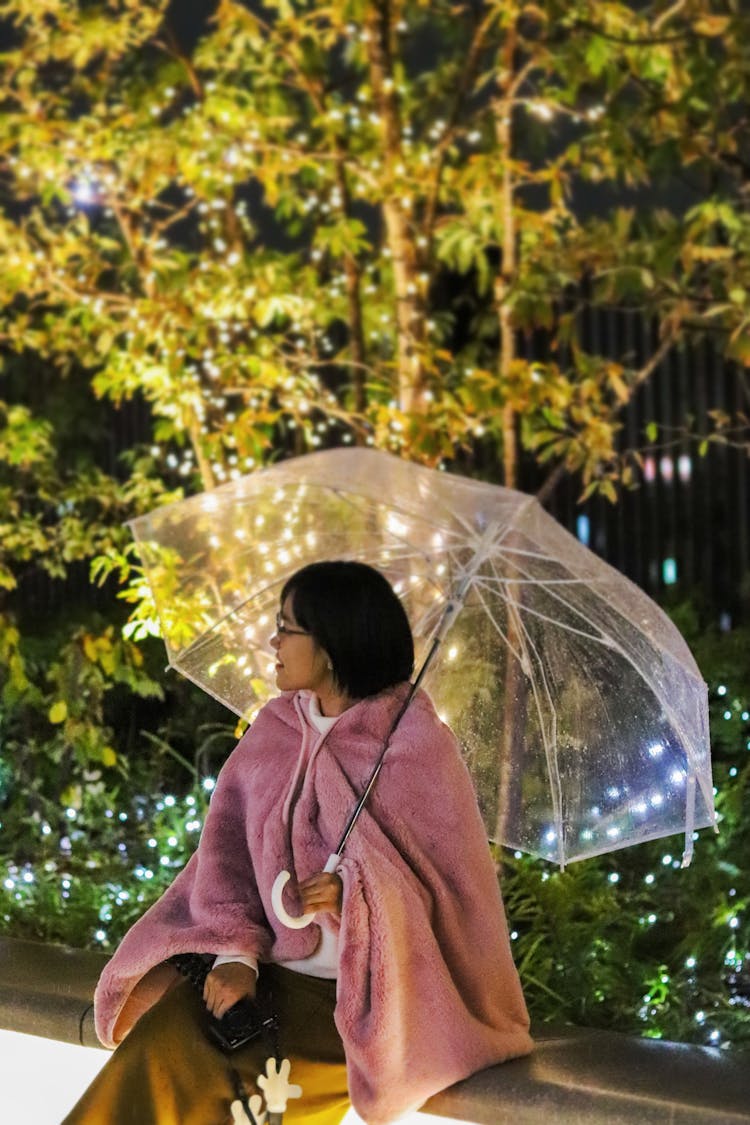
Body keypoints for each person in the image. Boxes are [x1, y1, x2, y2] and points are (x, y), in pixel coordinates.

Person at [62, 561, 532, 1125]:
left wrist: (356, 895)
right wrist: (236, 957)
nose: (273, 641)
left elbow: (455, 900)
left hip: (360, 1012)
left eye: (287, 628)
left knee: (251, 1107)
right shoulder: (274, 732)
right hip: (264, 984)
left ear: (331, 644)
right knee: (158, 1054)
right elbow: (225, 863)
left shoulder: (416, 749)